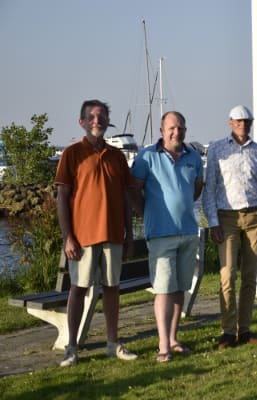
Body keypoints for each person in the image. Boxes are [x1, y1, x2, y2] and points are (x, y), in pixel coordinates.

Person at [55, 99, 138, 367]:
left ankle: (112, 343)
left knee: (112, 289)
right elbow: (62, 197)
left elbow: (126, 198)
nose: (96, 120)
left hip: (114, 234)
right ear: (82, 121)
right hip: (82, 237)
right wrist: (68, 236)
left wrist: (129, 233)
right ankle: (72, 347)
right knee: (78, 290)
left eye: (101, 116)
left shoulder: (116, 156)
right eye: (91, 116)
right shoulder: (71, 154)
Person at [202, 105, 257, 349]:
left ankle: (244, 330)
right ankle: (227, 331)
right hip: (226, 217)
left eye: (247, 121)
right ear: (230, 122)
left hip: (254, 216)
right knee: (227, 276)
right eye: (239, 121)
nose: (243, 125)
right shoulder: (217, 149)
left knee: (249, 277)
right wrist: (213, 222)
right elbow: (209, 189)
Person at [131, 111, 204, 362]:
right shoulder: (147, 157)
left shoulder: (193, 157)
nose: (177, 132)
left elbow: (196, 189)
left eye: (181, 128)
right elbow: (133, 191)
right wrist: (147, 213)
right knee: (163, 289)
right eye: (172, 128)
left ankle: (174, 338)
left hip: (187, 231)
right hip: (160, 234)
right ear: (162, 130)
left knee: (179, 289)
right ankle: (163, 346)